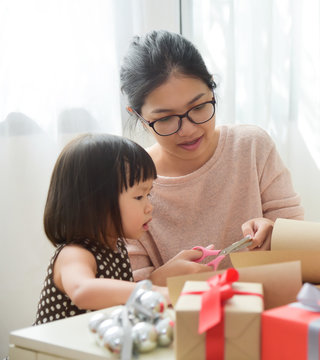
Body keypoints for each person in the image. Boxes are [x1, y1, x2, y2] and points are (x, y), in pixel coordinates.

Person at [120, 30, 304, 284]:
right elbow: (129, 297)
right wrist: (161, 280)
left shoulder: (252, 148)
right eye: (165, 119)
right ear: (138, 117)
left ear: (212, 89)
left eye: (198, 107)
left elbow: (302, 252)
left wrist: (280, 236)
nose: (188, 129)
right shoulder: (127, 184)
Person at [34, 133, 178, 325]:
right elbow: (83, 291)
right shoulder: (74, 254)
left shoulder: (116, 247)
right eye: (139, 197)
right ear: (96, 204)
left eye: (148, 194)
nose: (149, 206)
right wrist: (153, 292)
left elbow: (117, 297)